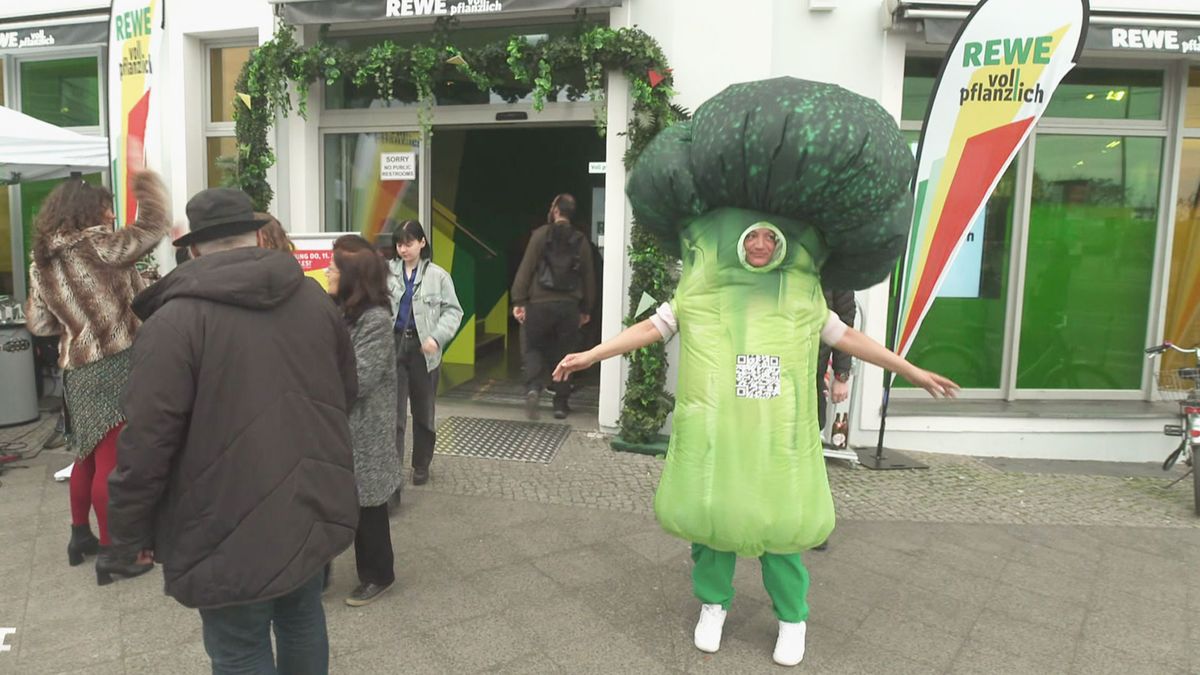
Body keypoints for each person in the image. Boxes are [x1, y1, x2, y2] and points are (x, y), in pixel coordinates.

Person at [555, 226, 959, 667]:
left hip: (776, 437)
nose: (760, 245)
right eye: (751, 236)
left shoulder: (800, 295)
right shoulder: (706, 290)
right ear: (738, 239)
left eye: (770, 237)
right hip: (721, 431)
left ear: (783, 243)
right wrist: (593, 355)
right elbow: (655, 326)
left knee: (780, 528)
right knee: (716, 524)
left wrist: (910, 371)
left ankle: (792, 618)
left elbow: (848, 338)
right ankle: (714, 605)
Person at [106, 187, 360, 673]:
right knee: (302, 617)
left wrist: (125, 535)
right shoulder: (312, 299)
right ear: (258, 235)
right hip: (307, 502)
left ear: (195, 248)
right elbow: (343, 394)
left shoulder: (175, 323)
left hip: (219, 520)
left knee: (241, 646)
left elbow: (145, 443)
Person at [24, 171, 168, 580]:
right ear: (86, 210)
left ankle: (79, 536)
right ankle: (112, 554)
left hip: (76, 368)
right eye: (106, 205)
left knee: (84, 455)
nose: (110, 212)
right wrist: (147, 187)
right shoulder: (98, 246)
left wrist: (78, 327)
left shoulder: (42, 262)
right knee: (112, 461)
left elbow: (37, 322)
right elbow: (151, 229)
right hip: (113, 362)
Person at [326, 234, 402, 606]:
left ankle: (378, 574)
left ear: (352, 275)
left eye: (334, 266)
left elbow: (359, 378)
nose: (326, 270)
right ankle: (317, 572)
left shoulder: (375, 320)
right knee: (328, 500)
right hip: (336, 424)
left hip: (364, 429)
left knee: (368, 507)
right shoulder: (337, 310)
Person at [387, 220, 463, 488]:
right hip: (393, 346)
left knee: (423, 412)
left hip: (423, 350)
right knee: (393, 414)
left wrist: (436, 337)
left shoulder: (438, 276)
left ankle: (421, 464)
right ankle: (391, 470)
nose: (403, 249)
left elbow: (454, 311)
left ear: (422, 243)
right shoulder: (387, 273)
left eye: (408, 243)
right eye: (399, 244)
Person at [511, 194, 595, 420]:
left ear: (556, 210)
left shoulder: (540, 235)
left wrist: (519, 300)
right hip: (569, 308)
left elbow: (526, 268)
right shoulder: (581, 240)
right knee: (565, 353)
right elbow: (588, 277)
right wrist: (586, 309)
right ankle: (560, 403)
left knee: (532, 346)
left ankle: (533, 389)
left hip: (539, 305)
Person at [817, 290, 857, 434]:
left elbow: (844, 319)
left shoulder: (831, 268)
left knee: (812, 427)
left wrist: (842, 375)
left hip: (814, 372)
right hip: (769, 363)